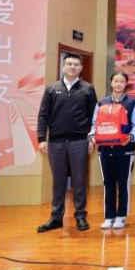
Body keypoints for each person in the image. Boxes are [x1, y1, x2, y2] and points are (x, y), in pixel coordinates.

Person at [36, 53, 98, 233]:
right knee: (58, 181)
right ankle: (56, 218)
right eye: (69, 64)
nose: (72, 67)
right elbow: (43, 115)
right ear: (63, 66)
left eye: (76, 64)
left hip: (79, 141)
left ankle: (80, 216)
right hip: (56, 143)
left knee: (79, 181)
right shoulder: (52, 88)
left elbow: (94, 116)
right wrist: (42, 139)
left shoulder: (88, 89)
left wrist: (92, 138)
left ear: (81, 68)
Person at [89, 71, 135, 230]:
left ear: (126, 84)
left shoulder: (132, 103)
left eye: (121, 81)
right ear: (111, 83)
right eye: (116, 81)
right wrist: (92, 138)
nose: (118, 84)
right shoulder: (101, 103)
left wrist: (131, 137)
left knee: (123, 184)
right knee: (108, 183)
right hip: (105, 150)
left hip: (125, 151)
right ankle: (109, 216)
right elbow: (94, 124)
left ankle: (121, 216)